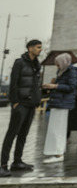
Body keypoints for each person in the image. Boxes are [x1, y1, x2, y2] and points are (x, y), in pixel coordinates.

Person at [0, 39, 43, 178]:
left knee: (23, 134)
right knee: (12, 134)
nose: (40, 50)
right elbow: (14, 83)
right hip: (21, 104)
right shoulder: (19, 63)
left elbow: (35, 84)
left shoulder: (37, 64)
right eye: (38, 47)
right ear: (30, 48)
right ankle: (2, 165)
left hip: (31, 104)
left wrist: (37, 99)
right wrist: (15, 102)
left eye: (40, 47)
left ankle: (17, 162)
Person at [41, 53, 77, 163]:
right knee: (55, 128)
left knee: (58, 129)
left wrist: (55, 86)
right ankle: (57, 152)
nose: (56, 65)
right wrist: (52, 86)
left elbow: (72, 87)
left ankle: (58, 154)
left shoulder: (71, 72)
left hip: (63, 103)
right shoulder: (61, 71)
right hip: (58, 101)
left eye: (58, 63)